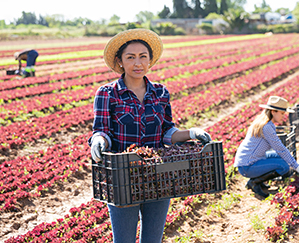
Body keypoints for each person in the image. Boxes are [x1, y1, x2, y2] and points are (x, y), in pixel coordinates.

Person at [88, 29, 212, 243]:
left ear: (150, 60)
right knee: (124, 240)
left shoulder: (160, 92)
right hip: (123, 176)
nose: (138, 63)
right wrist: (99, 140)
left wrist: (191, 133)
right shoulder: (107, 93)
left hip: (158, 175)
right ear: (120, 62)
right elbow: (102, 130)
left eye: (143, 56)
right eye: (130, 57)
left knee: (153, 240)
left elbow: (167, 132)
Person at [234, 96, 299, 198]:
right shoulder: (267, 127)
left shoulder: (262, 122)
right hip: (247, 166)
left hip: (249, 160)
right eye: (282, 113)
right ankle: (254, 182)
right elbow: (280, 148)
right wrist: (296, 167)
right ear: (273, 111)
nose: (284, 116)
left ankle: (258, 180)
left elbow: (280, 151)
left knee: (281, 158)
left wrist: (295, 164)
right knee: (284, 166)